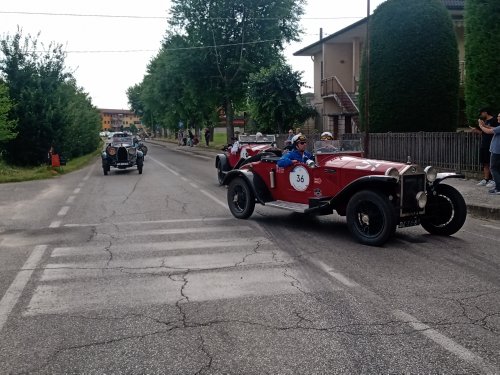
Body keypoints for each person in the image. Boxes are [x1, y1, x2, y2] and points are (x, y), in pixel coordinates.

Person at [474, 108, 498, 188]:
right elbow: (485, 132)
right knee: (485, 162)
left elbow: (491, 131)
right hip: (484, 144)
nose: (481, 115)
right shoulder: (486, 122)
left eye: (481, 113)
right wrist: (479, 131)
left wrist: (482, 126)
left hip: (492, 145)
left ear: (485, 112)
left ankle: (494, 180)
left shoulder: (494, 120)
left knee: (492, 164)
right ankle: (486, 179)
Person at [478, 112, 500, 194]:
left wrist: (481, 126)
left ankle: (498, 188)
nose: (497, 117)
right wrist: (484, 126)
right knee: (497, 169)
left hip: (497, 151)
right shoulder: (498, 127)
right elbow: (491, 128)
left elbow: (488, 131)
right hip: (496, 151)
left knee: (494, 168)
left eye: (499, 116)